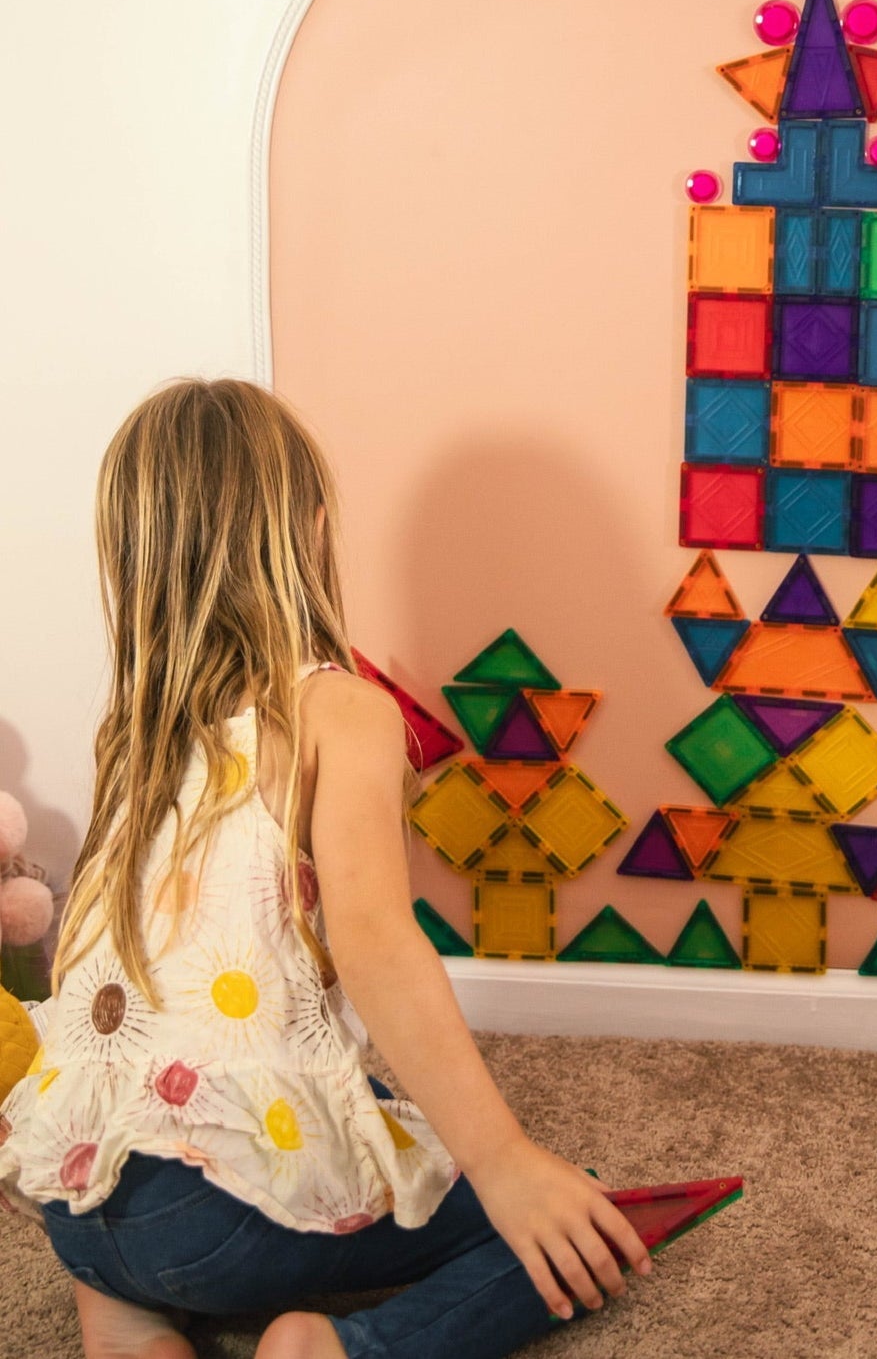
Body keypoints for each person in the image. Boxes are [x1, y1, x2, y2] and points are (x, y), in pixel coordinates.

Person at [0, 378, 651, 1359]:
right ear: (305, 530)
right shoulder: (339, 712)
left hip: (76, 1199)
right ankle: (345, 1348)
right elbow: (377, 945)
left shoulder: (134, 735)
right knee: (580, 1224)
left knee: (368, 1118)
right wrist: (505, 1160)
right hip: (210, 1220)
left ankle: (124, 1314)